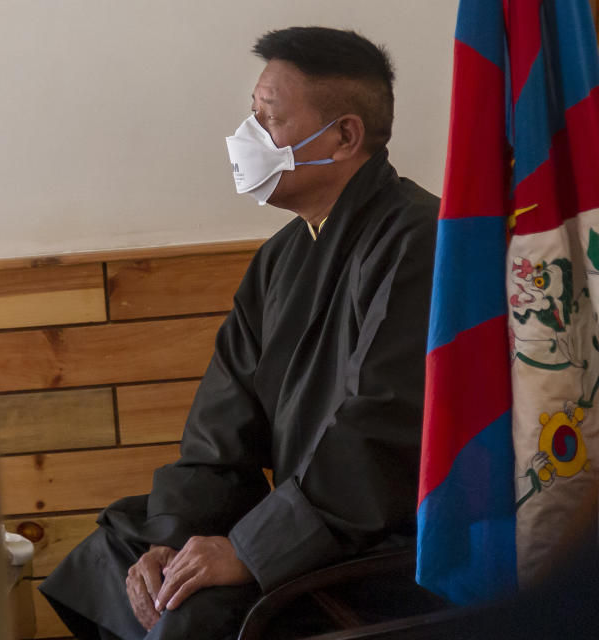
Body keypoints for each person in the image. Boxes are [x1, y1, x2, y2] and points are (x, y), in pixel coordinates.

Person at [40, 26, 440, 640]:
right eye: (250, 116)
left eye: (268, 119)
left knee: (192, 612)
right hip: (304, 526)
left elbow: (381, 434)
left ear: (343, 137)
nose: (248, 137)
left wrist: (252, 549)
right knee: (118, 554)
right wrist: (173, 543)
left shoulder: (420, 239)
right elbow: (219, 434)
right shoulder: (279, 260)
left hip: (379, 542)